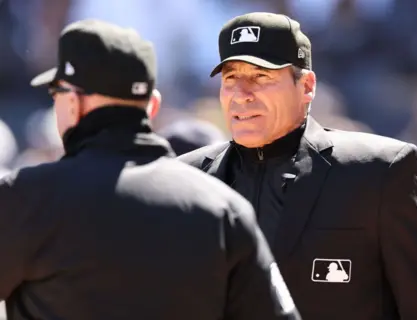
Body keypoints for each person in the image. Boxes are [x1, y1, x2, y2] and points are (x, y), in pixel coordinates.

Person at [0, 19, 301, 320]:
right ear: (152, 106)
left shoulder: (25, 198)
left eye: (57, 95)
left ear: (74, 102)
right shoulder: (224, 209)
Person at [178, 12, 417, 319]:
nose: (241, 95)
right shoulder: (185, 179)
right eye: (231, 78)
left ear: (307, 86)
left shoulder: (379, 172)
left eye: (261, 76)